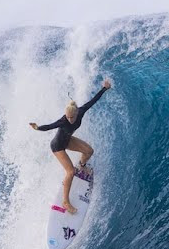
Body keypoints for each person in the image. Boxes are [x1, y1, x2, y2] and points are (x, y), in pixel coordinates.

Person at [30, 78, 112, 214]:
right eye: (67, 117)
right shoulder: (63, 120)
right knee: (70, 172)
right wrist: (37, 127)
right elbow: (49, 126)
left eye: (71, 117)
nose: (69, 119)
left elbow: (93, 101)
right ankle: (65, 202)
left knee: (89, 151)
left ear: (75, 114)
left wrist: (105, 88)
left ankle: (82, 166)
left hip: (67, 140)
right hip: (57, 146)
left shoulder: (80, 112)